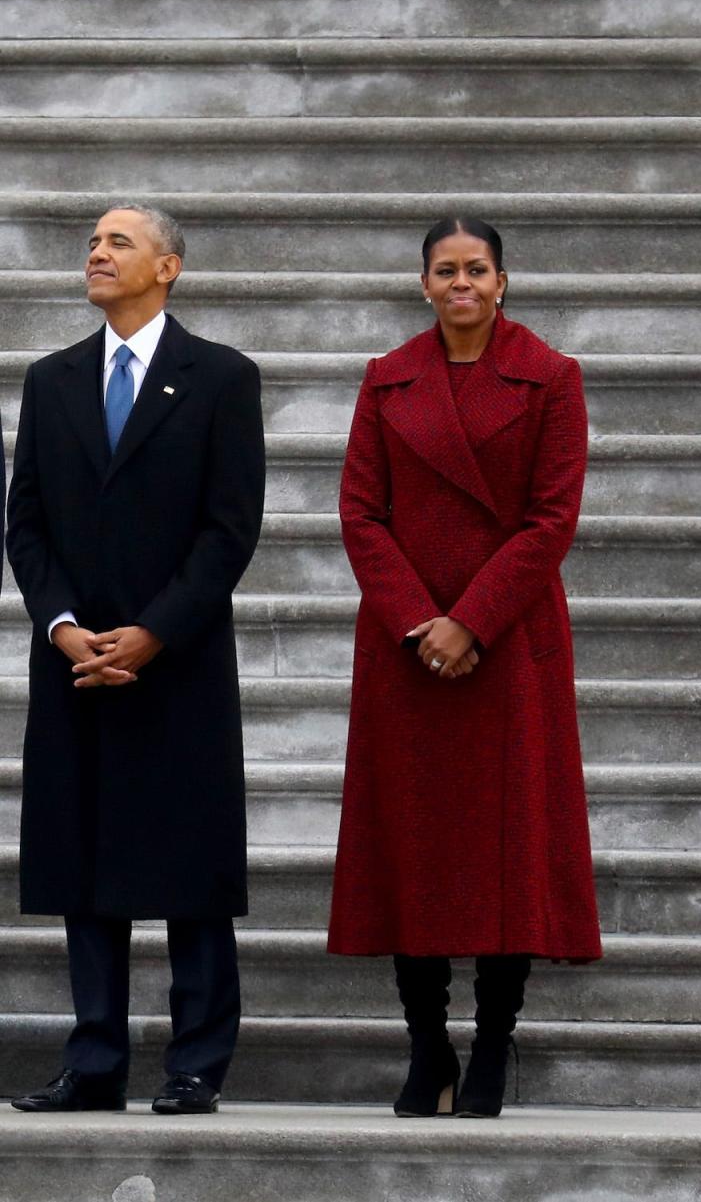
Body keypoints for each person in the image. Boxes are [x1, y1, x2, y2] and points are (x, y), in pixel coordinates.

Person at [328, 216, 602, 1118]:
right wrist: (419, 621)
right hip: (408, 650)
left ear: (501, 281)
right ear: (423, 284)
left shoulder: (552, 377)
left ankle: (491, 1044)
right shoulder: (385, 379)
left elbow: (550, 520)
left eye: (475, 269)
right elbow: (361, 513)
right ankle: (425, 1046)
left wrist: (472, 620)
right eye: (445, 270)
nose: (461, 283)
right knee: (413, 845)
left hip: (508, 642)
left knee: (507, 850)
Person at [7, 204, 265, 1115]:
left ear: (171, 267)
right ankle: (95, 1059)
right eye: (92, 242)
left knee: (190, 866)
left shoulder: (222, 378)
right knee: (86, 866)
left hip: (179, 661)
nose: (98, 253)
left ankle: (197, 1060)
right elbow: (26, 524)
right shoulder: (53, 379)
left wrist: (155, 632)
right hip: (77, 663)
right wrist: (63, 623)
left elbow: (229, 529)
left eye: (119, 241)